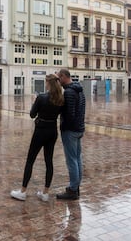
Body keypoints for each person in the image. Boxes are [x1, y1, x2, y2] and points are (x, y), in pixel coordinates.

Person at [11, 74, 64, 202]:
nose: (45, 84)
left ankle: (23, 191)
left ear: (49, 83)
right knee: (49, 161)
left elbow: (32, 114)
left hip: (40, 131)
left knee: (30, 160)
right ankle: (45, 193)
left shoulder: (42, 97)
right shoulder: (61, 99)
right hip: (52, 131)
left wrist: (36, 101)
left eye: (46, 82)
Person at [56, 68, 86, 200]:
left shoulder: (68, 92)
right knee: (77, 158)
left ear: (63, 77)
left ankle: (73, 190)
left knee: (71, 160)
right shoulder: (79, 89)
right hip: (79, 129)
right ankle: (76, 186)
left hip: (71, 131)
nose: (58, 81)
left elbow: (69, 114)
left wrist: (64, 127)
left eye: (58, 78)